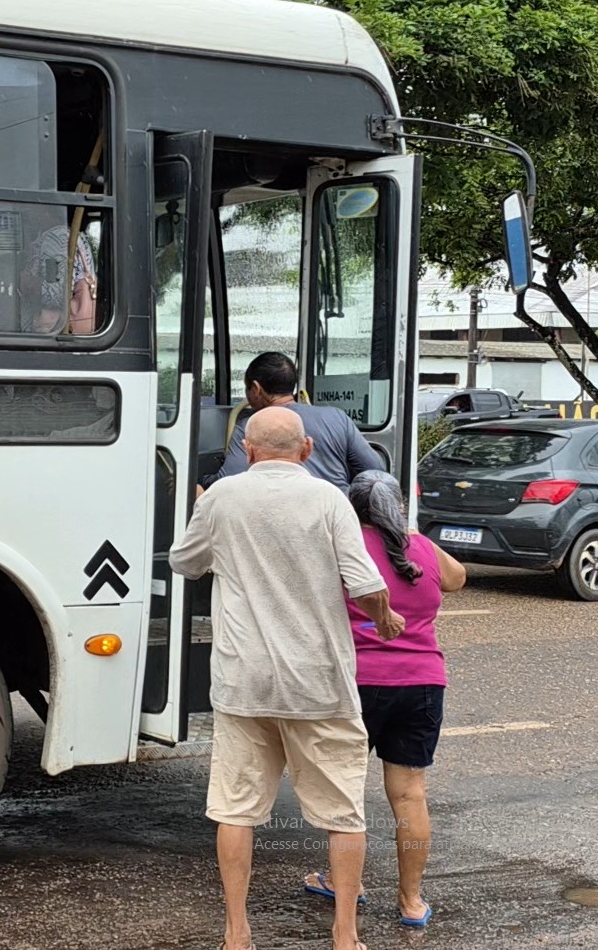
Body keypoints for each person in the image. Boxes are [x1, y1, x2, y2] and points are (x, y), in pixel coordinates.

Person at [169, 406, 405, 950]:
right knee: (343, 814)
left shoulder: (223, 497)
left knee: (235, 810)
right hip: (319, 684)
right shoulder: (329, 499)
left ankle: (237, 933)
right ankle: (345, 934)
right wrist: (385, 617)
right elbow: (364, 583)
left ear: (248, 451)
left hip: (244, 682)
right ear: (306, 450)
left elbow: (185, 563)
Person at [303, 469, 467, 930]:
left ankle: (343, 884)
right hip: (423, 685)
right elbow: (457, 579)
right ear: (398, 507)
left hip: (359, 685)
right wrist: (415, 537)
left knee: (345, 794)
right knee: (411, 795)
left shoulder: (344, 549)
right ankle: (411, 901)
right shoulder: (422, 549)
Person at [206, 352, 381, 491]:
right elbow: (376, 472)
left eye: (248, 389)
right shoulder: (337, 417)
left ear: (257, 389)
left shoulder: (250, 426)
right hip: (335, 522)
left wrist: (200, 480)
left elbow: (227, 482)